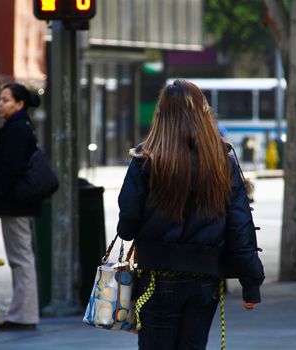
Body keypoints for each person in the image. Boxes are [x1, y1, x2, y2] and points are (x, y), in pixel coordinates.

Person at [117, 80, 265, 350]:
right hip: (205, 279)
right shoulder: (223, 161)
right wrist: (251, 282)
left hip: (156, 277)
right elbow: (241, 225)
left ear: (161, 115)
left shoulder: (146, 159)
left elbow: (127, 223)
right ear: (204, 112)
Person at [0, 83, 42, 331]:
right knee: (20, 258)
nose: (0, 103)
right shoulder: (18, 126)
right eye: (0, 99)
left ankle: (24, 315)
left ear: (19, 104)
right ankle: (21, 313)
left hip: (16, 204)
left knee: (21, 259)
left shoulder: (17, 129)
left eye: (6, 100)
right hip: (16, 203)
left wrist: (3, 192)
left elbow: (13, 168)